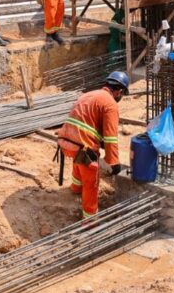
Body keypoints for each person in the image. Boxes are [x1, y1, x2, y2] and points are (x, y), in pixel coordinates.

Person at [55, 71, 128, 218]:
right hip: (81, 148)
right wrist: (113, 163)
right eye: (122, 94)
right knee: (91, 182)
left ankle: (76, 188)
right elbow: (110, 137)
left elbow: (88, 122)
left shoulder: (89, 94)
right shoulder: (110, 104)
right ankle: (90, 220)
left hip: (65, 142)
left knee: (79, 160)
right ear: (119, 91)